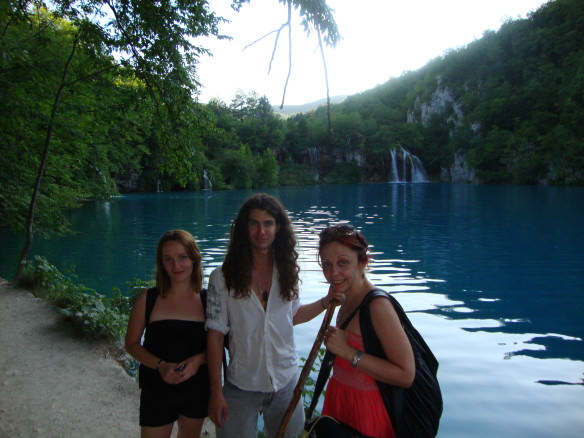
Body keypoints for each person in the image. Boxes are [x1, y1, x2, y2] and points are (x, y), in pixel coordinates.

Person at [205, 193, 342, 438]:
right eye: (254, 223)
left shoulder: (286, 270)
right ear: (244, 228)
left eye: (268, 223)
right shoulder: (222, 277)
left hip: (286, 383)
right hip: (241, 384)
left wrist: (325, 302)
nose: (261, 231)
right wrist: (216, 392)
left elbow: (293, 315)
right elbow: (215, 335)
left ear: (278, 227)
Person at [317, 224, 415, 438]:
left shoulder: (377, 306)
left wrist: (346, 352)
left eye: (343, 263)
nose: (333, 273)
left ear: (363, 262)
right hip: (341, 403)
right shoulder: (345, 300)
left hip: (367, 415)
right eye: (326, 264)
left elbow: (406, 375)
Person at [125, 230, 210, 438]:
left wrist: (198, 360)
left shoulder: (209, 301)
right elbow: (132, 344)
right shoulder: (148, 298)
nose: (176, 266)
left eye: (182, 257)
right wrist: (161, 366)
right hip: (156, 387)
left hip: (196, 388)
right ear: (161, 263)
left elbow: (220, 345)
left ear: (194, 259)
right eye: (168, 259)